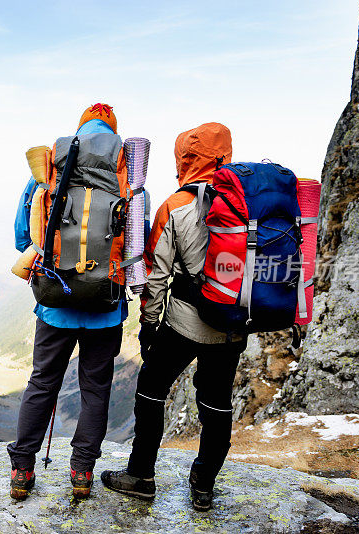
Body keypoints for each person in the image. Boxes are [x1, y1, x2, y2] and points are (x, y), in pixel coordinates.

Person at [100, 122, 247, 511]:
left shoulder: (176, 205)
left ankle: (141, 476)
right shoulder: (250, 202)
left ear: (186, 159)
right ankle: (203, 484)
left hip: (182, 323)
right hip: (232, 326)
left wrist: (149, 326)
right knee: (216, 404)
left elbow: (156, 274)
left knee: (151, 393)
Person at [8, 103, 128, 500]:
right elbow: (137, 246)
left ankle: (23, 471)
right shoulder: (126, 178)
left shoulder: (49, 172)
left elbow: (24, 239)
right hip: (105, 308)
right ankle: (81, 475)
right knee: (95, 389)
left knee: (43, 383)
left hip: (55, 303)